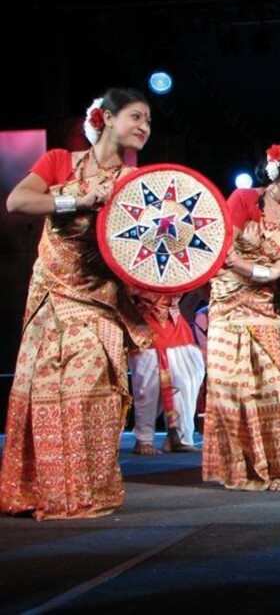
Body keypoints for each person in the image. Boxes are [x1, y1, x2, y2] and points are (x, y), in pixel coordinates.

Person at [0, 88, 153, 520]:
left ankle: (86, 489)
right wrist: (76, 201)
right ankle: (47, 490)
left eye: (149, 121)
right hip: (52, 293)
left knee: (91, 389)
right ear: (106, 117)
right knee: (46, 390)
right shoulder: (58, 163)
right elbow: (18, 201)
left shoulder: (137, 185)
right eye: (136, 117)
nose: (144, 127)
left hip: (100, 298)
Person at [202, 141, 280, 491]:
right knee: (231, 388)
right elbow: (222, 252)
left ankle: (277, 469)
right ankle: (241, 469)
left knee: (275, 389)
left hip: (268, 310)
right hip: (228, 304)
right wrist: (265, 272)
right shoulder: (243, 200)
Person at [127, 289, 205, 455]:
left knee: (185, 382)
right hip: (144, 327)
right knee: (147, 388)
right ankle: (144, 439)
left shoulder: (177, 270)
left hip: (177, 327)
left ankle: (178, 436)